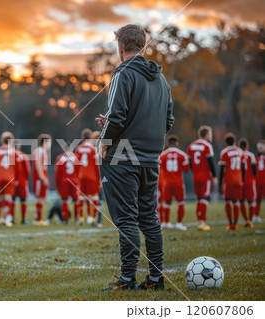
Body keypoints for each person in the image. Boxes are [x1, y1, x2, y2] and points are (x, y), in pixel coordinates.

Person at [95, 24, 174, 291]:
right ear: (143, 45)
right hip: (151, 158)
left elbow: (117, 116)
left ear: (120, 47)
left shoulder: (122, 73)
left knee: (126, 218)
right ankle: (155, 279)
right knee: (149, 218)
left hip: (123, 157)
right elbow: (167, 120)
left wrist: (103, 143)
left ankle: (127, 279)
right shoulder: (161, 79)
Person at [187, 126, 217, 231]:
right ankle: (202, 222)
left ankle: (200, 220)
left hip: (196, 176)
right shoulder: (207, 146)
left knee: (199, 199)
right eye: (210, 134)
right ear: (207, 135)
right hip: (205, 176)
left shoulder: (191, 146)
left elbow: (190, 162)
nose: (211, 136)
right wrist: (214, 176)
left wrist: (194, 172)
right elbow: (210, 162)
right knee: (205, 198)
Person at [159, 135, 190, 230]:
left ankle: (166, 222)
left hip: (167, 182)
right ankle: (179, 223)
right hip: (178, 182)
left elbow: (160, 168)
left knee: (167, 203)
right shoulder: (182, 154)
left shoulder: (162, 155)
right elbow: (187, 169)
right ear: (176, 143)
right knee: (181, 202)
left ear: (168, 143)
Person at [219, 133, 246, 231]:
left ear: (226, 142)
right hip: (238, 180)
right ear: (234, 141)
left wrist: (220, 184)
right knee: (236, 201)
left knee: (227, 201)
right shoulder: (240, 151)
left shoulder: (224, 152)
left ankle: (230, 224)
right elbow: (243, 168)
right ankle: (235, 224)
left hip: (229, 180)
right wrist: (242, 180)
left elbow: (222, 169)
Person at [75, 129, 101, 226]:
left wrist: (78, 175)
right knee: (94, 197)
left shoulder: (78, 149)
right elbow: (96, 165)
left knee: (81, 197)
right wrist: (99, 179)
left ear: (82, 138)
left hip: (82, 176)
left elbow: (76, 165)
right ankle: (92, 219)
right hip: (92, 176)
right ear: (91, 138)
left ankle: (81, 218)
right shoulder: (93, 149)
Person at [0, 131, 17, 226]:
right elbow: (17, 167)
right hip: (9, 178)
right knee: (8, 197)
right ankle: (7, 218)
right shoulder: (14, 152)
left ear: (2, 140)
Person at [54, 143, 80, 224]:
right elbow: (79, 171)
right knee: (76, 200)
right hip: (74, 181)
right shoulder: (76, 157)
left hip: (64, 181)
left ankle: (65, 220)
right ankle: (76, 219)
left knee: (64, 200)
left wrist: (58, 185)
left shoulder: (60, 158)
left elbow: (57, 173)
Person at [32, 133, 52, 226]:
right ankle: (38, 219)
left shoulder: (42, 151)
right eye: (49, 142)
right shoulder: (39, 151)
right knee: (40, 197)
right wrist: (42, 177)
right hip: (40, 178)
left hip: (42, 177)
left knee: (42, 197)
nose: (50, 144)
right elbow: (38, 163)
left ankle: (38, 218)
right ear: (45, 142)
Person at [238, 138, 256, 227]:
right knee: (251, 201)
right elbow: (254, 169)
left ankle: (246, 220)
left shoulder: (238, 154)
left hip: (241, 181)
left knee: (241, 201)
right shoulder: (251, 155)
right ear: (247, 146)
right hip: (250, 181)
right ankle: (250, 220)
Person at [15, 140, 31, 224]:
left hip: (12, 182)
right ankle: (23, 220)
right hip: (22, 181)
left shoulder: (10, 156)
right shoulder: (24, 156)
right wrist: (26, 179)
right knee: (23, 200)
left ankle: (12, 219)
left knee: (12, 200)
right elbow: (27, 170)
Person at [255, 140, 265, 223]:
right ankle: (256, 215)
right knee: (258, 199)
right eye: (259, 147)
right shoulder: (256, 159)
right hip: (258, 182)